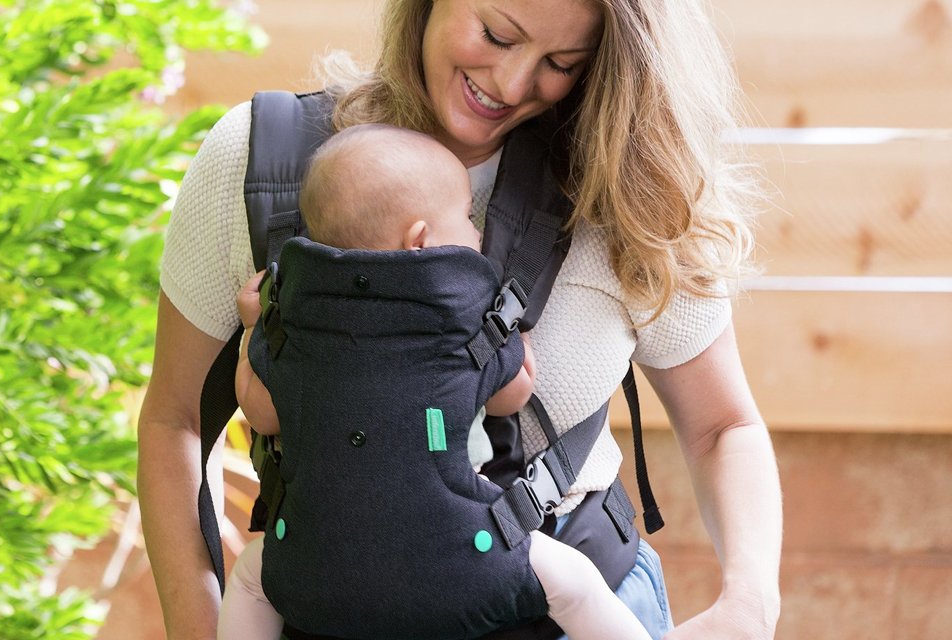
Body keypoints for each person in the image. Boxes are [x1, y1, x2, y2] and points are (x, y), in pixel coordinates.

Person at [137, 1, 783, 639]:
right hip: (326, 607)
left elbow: (723, 427)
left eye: (561, 61)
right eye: (497, 33)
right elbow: (177, 422)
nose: (511, 84)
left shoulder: (631, 185)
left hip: (570, 608)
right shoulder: (264, 163)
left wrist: (750, 604)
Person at [218, 122, 652, 640]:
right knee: (574, 585)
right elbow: (510, 399)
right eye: (467, 218)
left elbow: (261, 413)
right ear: (421, 240)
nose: (474, 234)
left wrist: (252, 329)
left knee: (247, 581)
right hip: (463, 555)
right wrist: (517, 343)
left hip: (319, 562)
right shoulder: (464, 317)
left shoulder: (293, 320)